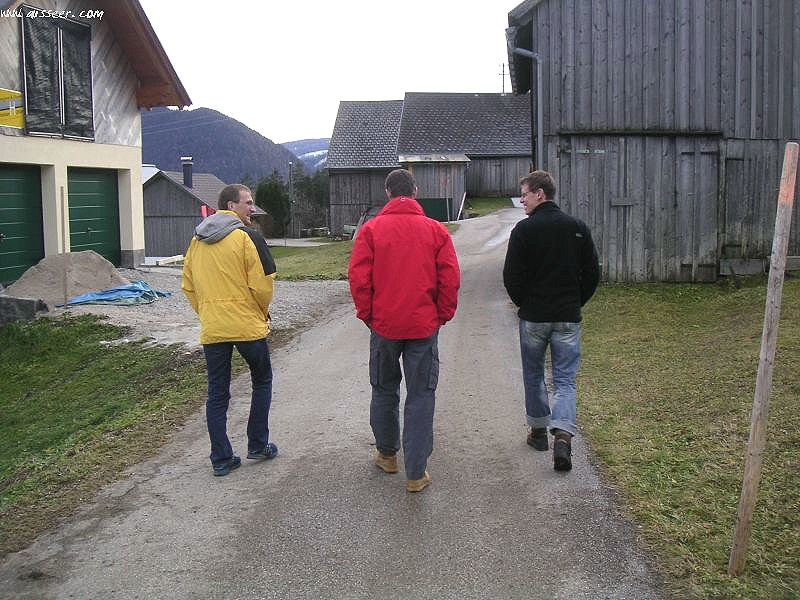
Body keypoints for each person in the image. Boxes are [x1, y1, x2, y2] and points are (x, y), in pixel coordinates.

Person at [348, 169, 460, 493]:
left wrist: (369, 316)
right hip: (423, 326)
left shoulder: (371, 231)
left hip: (384, 325)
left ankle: (387, 455)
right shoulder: (436, 231)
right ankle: (416, 472)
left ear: (387, 192)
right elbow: (450, 279)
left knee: (383, 388)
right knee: (421, 394)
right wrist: (441, 316)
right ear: (415, 191)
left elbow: (358, 279)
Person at [503, 170, 599, 472]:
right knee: (565, 380)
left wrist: (525, 303)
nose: (522, 200)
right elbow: (592, 273)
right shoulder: (577, 228)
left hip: (534, 318)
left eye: (525, 194)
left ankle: (538, 433)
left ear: (540, 193)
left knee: (533, 374)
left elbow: (511, 276)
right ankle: (563, 437)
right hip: (567, 317)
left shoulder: (524, 231)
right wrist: (575, 302)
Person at [182, 184, 279, 477]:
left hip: (214, 328)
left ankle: (221, 458)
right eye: (248, 202)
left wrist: (207, 312)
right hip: (247, 326)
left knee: (217, 392)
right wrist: (261, 312)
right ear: (231, 205)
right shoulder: (248, 237)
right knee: (262, 380)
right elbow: (263, 284)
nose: (252, 208)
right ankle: (258, 444)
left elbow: (188, 285)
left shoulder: (197, 241)